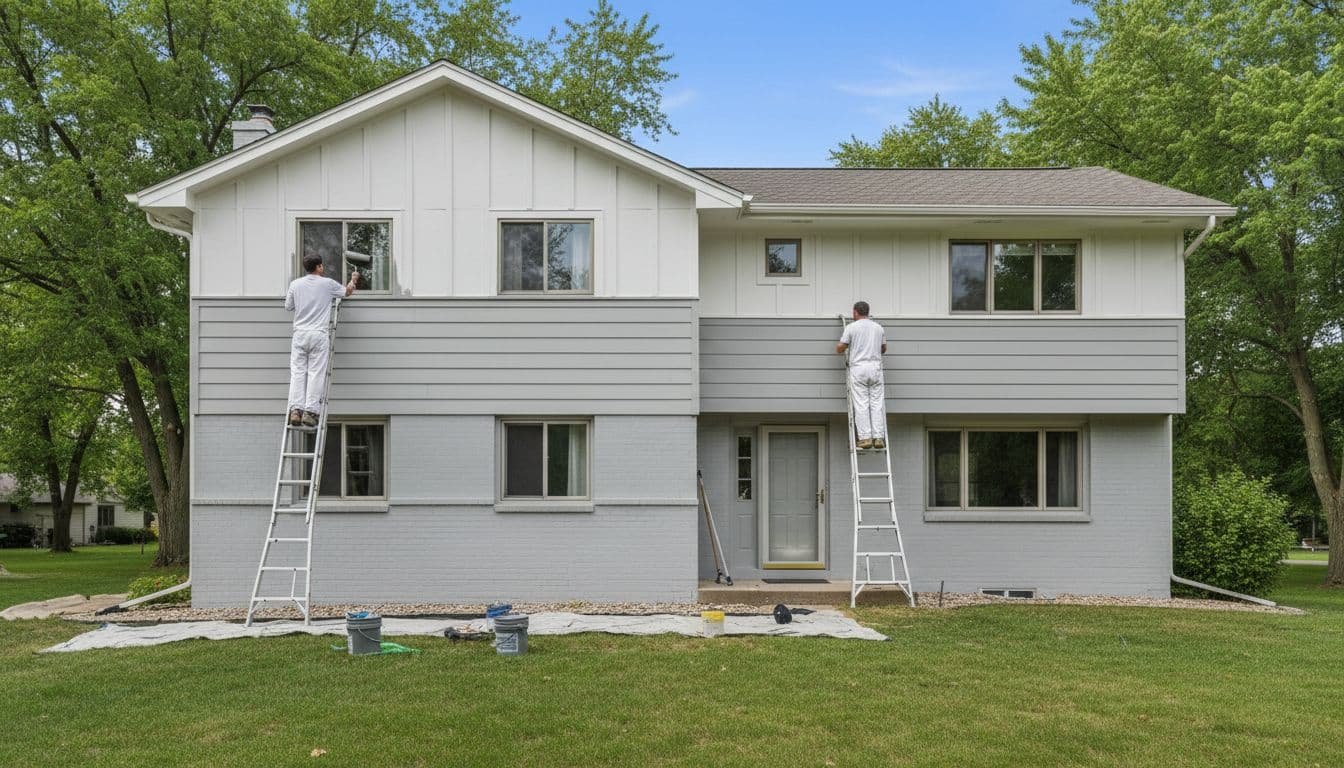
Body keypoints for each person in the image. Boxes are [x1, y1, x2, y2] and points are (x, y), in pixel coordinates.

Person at [285, 255, 358, 427]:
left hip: (300, 334)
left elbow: (288, 306)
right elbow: (347, 292)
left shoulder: (295, 284)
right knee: (315, 373)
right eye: (321, 265)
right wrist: (353, 280)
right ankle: (310, 412)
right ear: (318, 267)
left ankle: (296, 410)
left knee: (298, 372)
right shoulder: (327, 284)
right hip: (318, 334)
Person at [837, 301, 887, 450]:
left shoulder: (851, 327)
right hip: (876, 368)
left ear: (855, 312)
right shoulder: (878, 328)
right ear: (868, 312)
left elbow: (840, 348)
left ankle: (865, 438)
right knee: (877, 403)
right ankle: (878, 437)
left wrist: (844, 345)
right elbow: (884, 348)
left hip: (859, 368)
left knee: (861, 403)